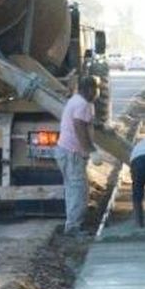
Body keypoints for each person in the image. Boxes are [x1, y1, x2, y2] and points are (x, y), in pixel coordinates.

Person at [55, 75, 98, 237]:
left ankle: (71, 223)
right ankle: (73, 227)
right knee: (78, 190)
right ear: (89, 89)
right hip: (72, 153)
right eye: (95, 90)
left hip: (65, 151)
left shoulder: (75, 100)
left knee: (72, 189)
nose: (96, 93)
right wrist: (91, 149)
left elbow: (84, 122)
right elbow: (79, 126)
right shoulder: (82, 104)